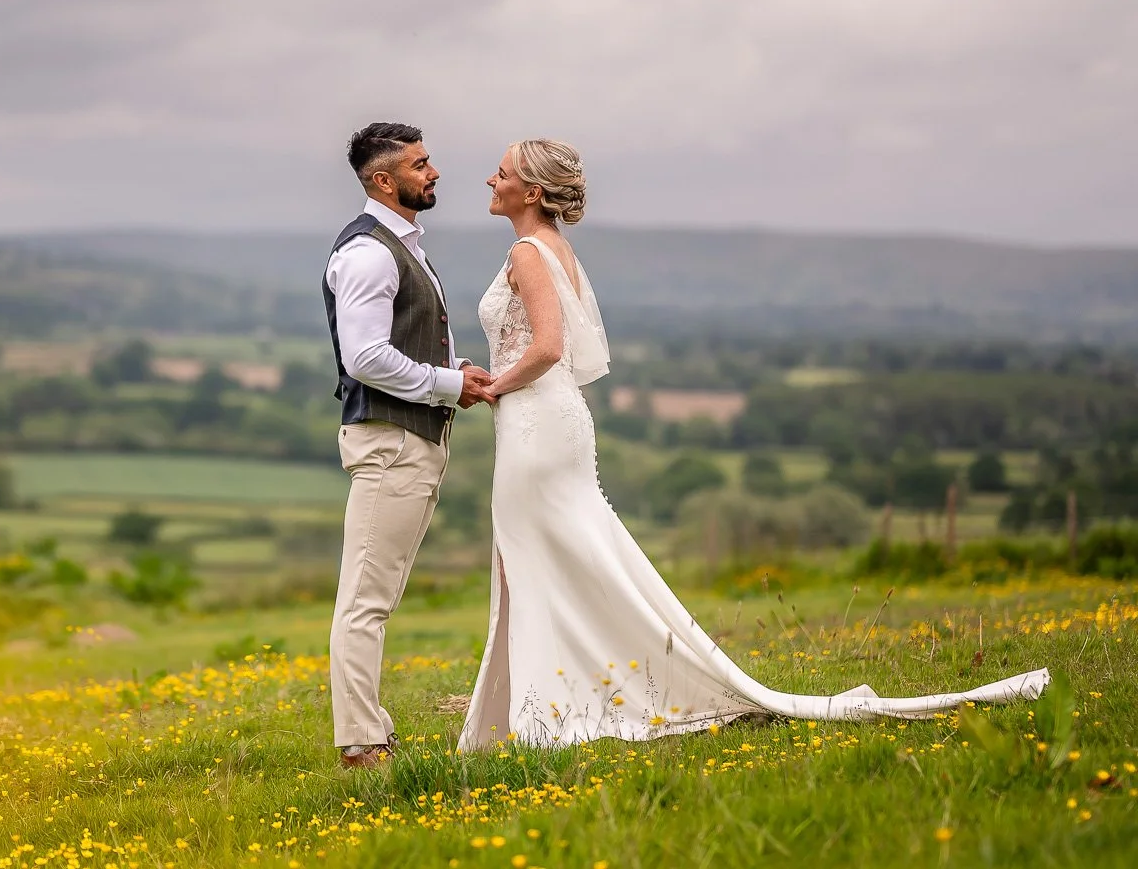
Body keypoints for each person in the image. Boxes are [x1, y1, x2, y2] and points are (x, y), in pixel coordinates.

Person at [458, 138, 1049, 748]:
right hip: (550, 422)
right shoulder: (556, 248)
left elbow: (549, 346)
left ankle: (544, 714)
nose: (488, 180)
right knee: (552, 557)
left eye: (499, 173)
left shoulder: (528, 251)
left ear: (531, 191)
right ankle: (539, 706)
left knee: (534, 558)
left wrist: (492, 386)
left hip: (536, 422)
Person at [323, 121, 495, 769]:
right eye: (420, 164)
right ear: (382, 180)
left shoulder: (399, 244)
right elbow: (366, 356)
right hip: (390, 442)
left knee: (376, 595)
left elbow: (404, 341)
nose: (434, 172)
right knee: (366, 599)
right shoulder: (370, 252)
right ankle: (362, 741)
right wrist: (448, 384)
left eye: (430, 160)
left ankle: (370, 727)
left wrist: (457, 371)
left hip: (408, 437)